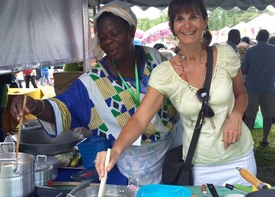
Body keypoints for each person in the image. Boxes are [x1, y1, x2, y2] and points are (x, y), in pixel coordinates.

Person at [9, 1, 180, 185]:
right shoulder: (93, 82)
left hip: (174, 149)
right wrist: (36, 105)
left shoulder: (154, 58)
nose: (108, 41)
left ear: (131, 32)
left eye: (115, 34)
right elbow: (64, 107)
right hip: (136, 164)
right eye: (103, 37)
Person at [95, 0, 256, 187]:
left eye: (193, 17)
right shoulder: (165, 73)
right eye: (180, 19)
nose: (187, 25)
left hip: (240, 161)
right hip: (199, 167)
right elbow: (139, 119)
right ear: (172, 27)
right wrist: (115, 151)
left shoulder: (225, 55)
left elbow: (241, 94)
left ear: (205, 22)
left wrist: (236, 116)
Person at [241, 29, 275, 148]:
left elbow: (243, 69)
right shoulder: (274, 50)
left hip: (252, 87)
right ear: (267, 38)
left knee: (250, 115)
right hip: (268, 87)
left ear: (257, 37)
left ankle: (247, 139)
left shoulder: (250, 51)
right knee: (268, 115)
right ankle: (265, 138)